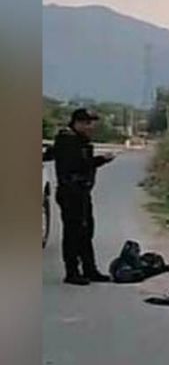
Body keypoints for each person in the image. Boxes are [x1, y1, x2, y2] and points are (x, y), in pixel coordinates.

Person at [53, 108, 116, 285]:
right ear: (78, 123)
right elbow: (78, 165)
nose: (91, 127)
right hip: (71, 192)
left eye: (92, 123)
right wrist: (102, 160)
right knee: (73, 232)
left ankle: (90, 269)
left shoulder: (81, 141)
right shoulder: (67, 140)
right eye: (88, 123)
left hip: (82, 192)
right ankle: (72, 271)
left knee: (86, 231)